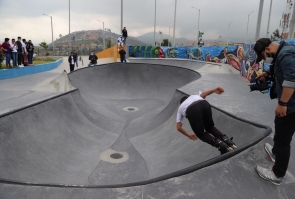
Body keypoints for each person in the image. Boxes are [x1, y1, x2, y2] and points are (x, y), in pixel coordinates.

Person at [254, 38, 295, 186]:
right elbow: (280, 68)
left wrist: (283, 104)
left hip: (291, 105)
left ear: (267, 49)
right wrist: (267, 73)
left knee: (284, 139)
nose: (265, 59)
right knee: (279, 125)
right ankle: (275, 152)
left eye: (264, 56)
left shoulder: (286, 54)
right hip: (290, 104)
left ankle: (277, 174)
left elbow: (292, 80)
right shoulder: (281, 53)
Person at [176, 87, 237, 154]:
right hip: (204, 103)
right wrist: (214, 90)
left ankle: (220, 144)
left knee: (200, 134)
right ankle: (227, 140)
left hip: (192, 109)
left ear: (181, 103)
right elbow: (204, 94)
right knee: (210, 127)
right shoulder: (194, 96)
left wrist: (189, 135)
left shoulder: (180, 107)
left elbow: (178, 127)